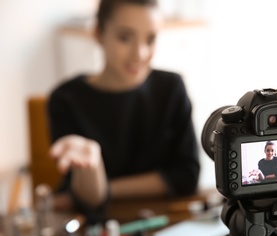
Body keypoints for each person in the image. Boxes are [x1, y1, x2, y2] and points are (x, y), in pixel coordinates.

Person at [47, 0, 200, 221]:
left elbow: (186, 176)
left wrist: (109, 187)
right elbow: (89, 199)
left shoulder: (172, 88)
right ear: (99, 33)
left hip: (161, 222)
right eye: (125, 38)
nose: (140, 53)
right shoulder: (66, 99)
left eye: (151, 39)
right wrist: (93, 164)